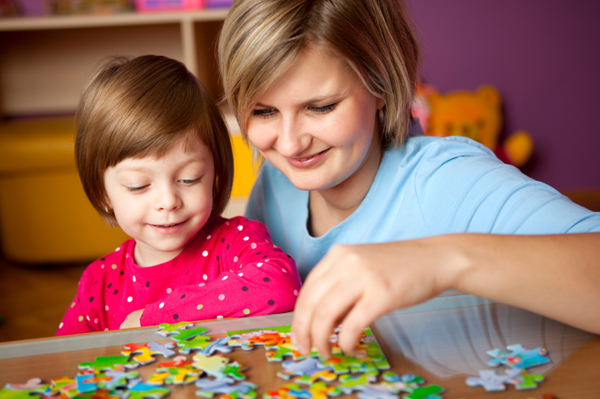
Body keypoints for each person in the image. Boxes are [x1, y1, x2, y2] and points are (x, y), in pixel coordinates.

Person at [217, 0, 600, 358]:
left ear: (380, 83)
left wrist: (442, 261)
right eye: (264, 112)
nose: (289, 144)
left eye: (321, 107)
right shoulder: (276, 182)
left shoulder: (448, 181)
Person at [56, 55, 301, 336]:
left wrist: (156, 316)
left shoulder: (235, 242)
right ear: (103, 194)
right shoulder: (98, 283)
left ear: (215, 174)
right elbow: (62, 360)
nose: (168, 201)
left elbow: (280, 286)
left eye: (189, 179)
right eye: (138, 185)